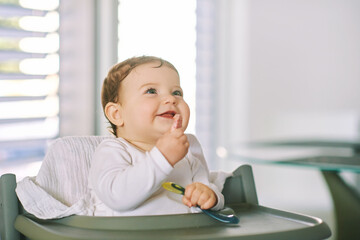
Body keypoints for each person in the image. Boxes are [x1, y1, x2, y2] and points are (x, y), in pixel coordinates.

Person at [88, 56, 224, 216]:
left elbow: (210, 191)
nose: (171, 98)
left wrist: (211, 197)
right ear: (117, 114)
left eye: (177, 92)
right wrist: (162, 158)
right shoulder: (113, 151)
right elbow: (116, 196)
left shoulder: (187, 155)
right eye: (151, 91)